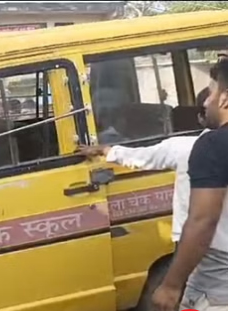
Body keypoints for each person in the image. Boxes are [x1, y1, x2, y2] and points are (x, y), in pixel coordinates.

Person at [79, 83, 213, 251]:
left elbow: (140, 157)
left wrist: (104, 149)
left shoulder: (181, 148)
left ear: (200, 119)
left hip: (195, 241)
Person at [152, 57, 228, 311]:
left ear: (225, 98)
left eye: (212, 92)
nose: (206, 101)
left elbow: (202, 221)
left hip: (219, 278)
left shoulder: (212, 145)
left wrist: (172, 284)